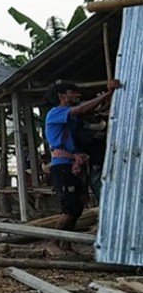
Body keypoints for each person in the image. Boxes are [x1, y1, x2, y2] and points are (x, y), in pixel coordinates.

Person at [45, 80, 120, 255]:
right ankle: (52, 242)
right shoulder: (56, 113)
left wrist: (110, 96)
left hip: (72, 165)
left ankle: (66, 245)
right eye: (72, 92)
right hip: (63, 165)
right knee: (70, 207)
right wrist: (108, 94)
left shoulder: (70, 116)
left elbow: (92, 110)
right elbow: (83, 109)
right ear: (62, 96)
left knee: (77, 208)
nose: (77, 95)